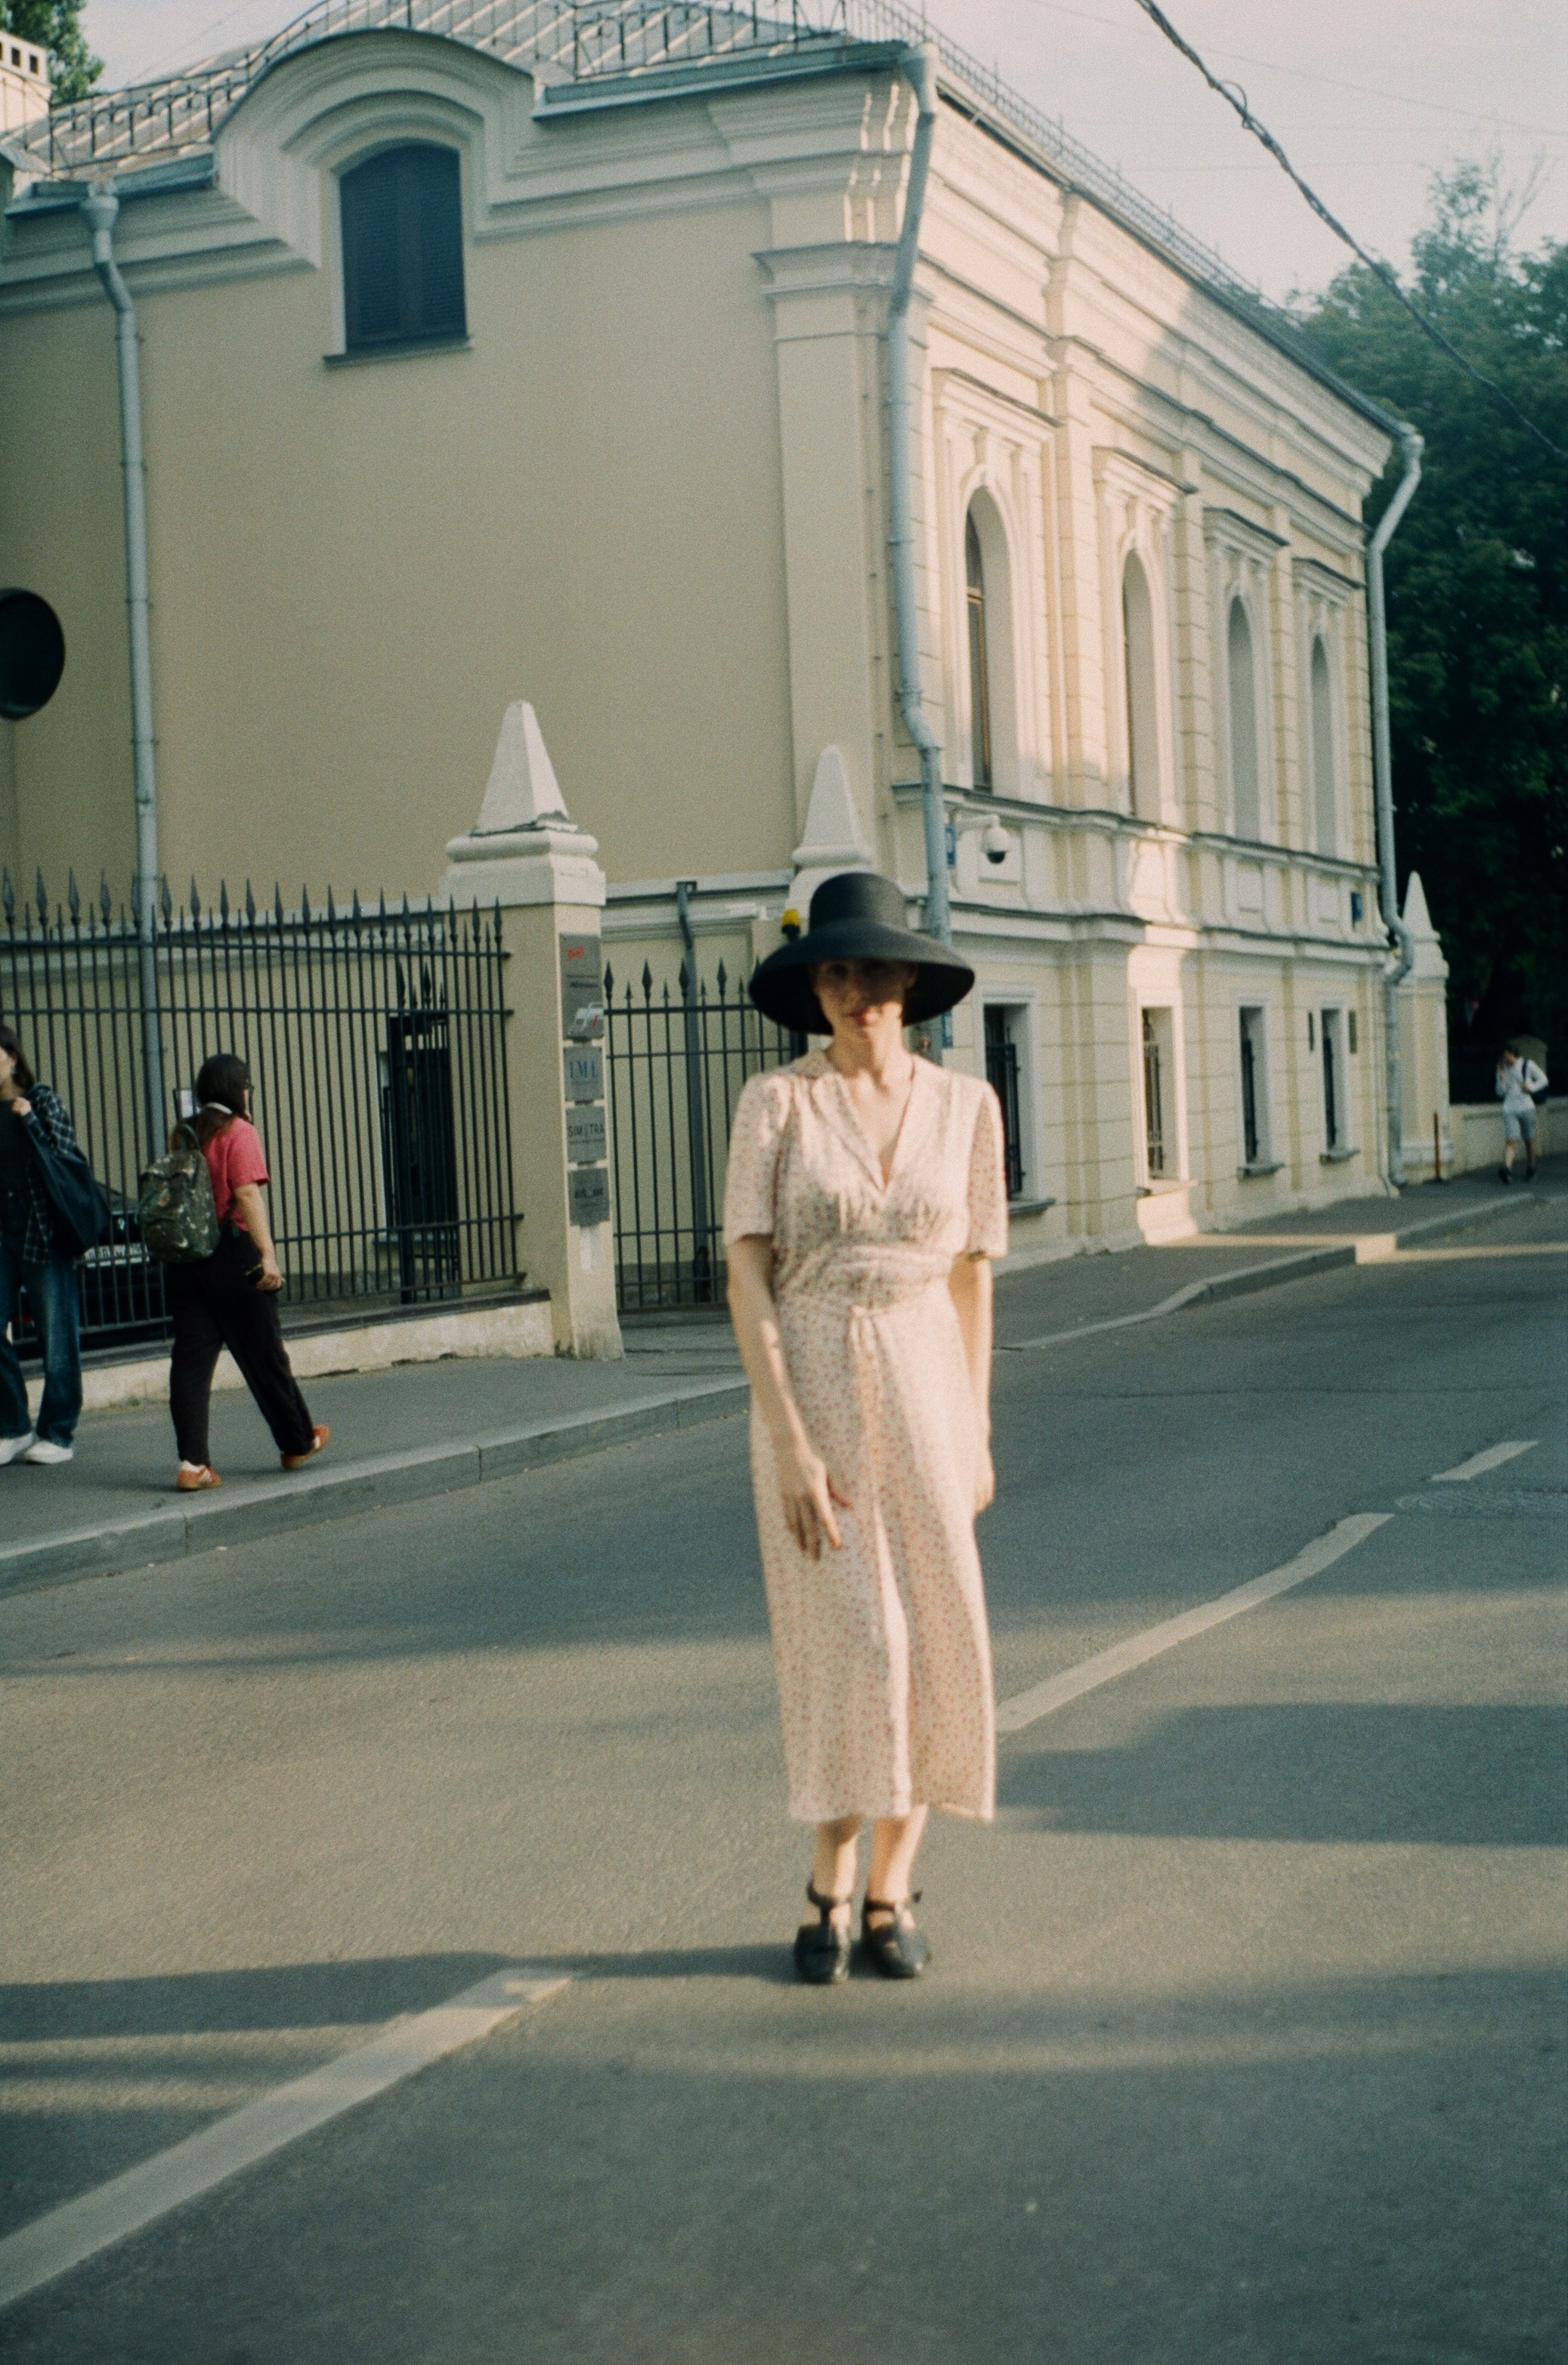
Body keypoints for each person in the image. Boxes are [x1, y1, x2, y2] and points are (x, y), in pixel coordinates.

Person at [724, 871, 1007, 1985]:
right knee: (858, 1646)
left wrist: (976, 1425)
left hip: (929, 1380)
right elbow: (747, 1272)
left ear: (908, 982)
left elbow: (974, 1277)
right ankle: (824, 1875)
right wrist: (786, 1433)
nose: (854, 992)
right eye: (833, 973)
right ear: (815, 989)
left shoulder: (966, 1107)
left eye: (872, 971)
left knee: (938, 1634)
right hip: (817, 1384)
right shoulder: (775, 1105)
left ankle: (889, 1891)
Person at [166, 1053, 327, 1491]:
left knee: (191, 1364)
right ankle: (297, 1442)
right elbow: (247, 1197)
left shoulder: (184, 1135)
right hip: (232, 1257)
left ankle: (192, 1464)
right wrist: (268, 1256)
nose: (249, 1091)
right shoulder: (239, 1132)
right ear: (237, 1089)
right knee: (264, 1355)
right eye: (247, 1085)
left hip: (185, 1264)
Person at [0, 1022, 85, 1467]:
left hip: (42, 1233)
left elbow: (67, 1155)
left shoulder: (42, 1098)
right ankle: (14, 1425)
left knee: (56, 1337)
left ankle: (57, 1431)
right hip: (2, 1234)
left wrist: (28, 1119)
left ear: (12, 1057)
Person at [1495, 1044, 1548, 1183]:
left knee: (1529, 1140)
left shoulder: (1527, 1065)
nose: (1504, 1060)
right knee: (1510, 1140)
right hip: (1510, 1108)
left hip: (1527, 1107)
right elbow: (1500, 1092)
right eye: (1502, 1057)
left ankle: (1531, 1168)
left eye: (1506, 1056)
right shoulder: (1502, 1068)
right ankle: (1507, 1169)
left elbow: (1544, 1080)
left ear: (1513, 1054)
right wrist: (1501, 1078)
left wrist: (1530, 1087)